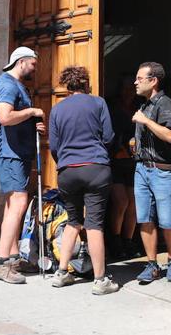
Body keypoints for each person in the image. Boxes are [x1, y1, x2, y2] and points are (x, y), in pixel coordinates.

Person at [47, 66, 119, 294]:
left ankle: (61, 273)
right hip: (95, 168)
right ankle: (100, 280)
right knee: (94, 224)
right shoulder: (98, 103)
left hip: (68, 170)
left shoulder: (57, 109)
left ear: (67, 86)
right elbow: (108, 136)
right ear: (86, 83)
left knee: (73, 221)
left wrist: (65, 161)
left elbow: (55, 146)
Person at [0, 46, 45, 284]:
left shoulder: (15, 85)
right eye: (33, 64)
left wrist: (33, 124)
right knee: (19, 203)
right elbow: (5, 117)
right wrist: (31, 111)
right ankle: (2, 263)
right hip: (9, 153)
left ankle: (11, 257)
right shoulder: (7, 84)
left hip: (16, 151)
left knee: (13, 205)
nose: (34, 68)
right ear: (21, 61)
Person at [131, 61, 171, 283]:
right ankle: (152, 264)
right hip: (142, 169)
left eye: (140, 79)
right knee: (144, 220)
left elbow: (170, 136)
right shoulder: (144, 106)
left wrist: (145, 122)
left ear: (153, 81)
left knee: (167, 221)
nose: (135, 82)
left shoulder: (165, 104)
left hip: (162, 172)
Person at [107, 77, 140, 259]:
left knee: (133, 203)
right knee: (121, 202)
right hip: (115, 160)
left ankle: (129, 241)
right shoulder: (112, 107)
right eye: (125, 88)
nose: (129, 91)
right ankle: (115, 240)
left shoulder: (139, 106)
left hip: (133, 160)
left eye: (131, 88)